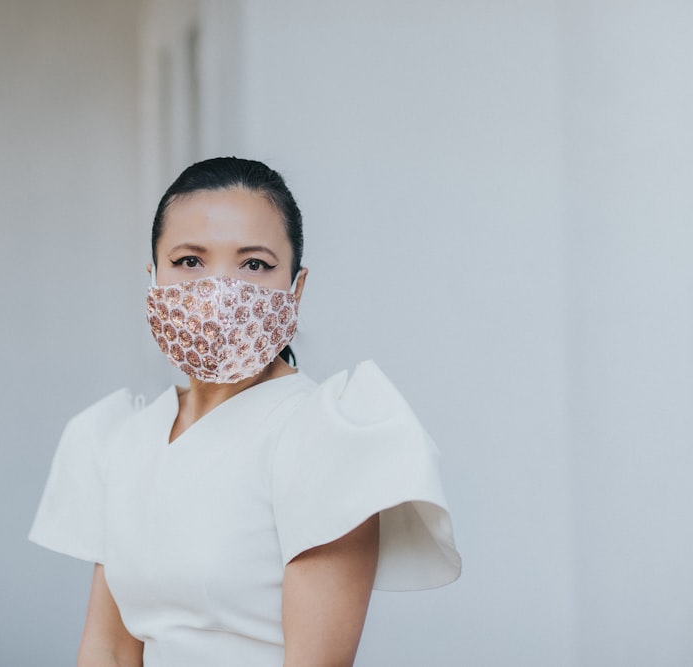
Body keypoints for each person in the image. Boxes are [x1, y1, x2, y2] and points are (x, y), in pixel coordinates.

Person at [30, 157, 461, 666]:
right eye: (190, 261)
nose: (218, 292)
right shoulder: (122, 440)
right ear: (154, 280)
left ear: (295, 289)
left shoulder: (325, 438)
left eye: (253, 264)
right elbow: (110, 651)